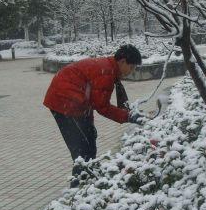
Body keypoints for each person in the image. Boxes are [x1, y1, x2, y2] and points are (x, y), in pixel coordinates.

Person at [43, 44, 146, 184]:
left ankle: (87, 181)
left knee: (89, 142)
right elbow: (102, 107)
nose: (132, 71)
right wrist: (128, 116)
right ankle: (78, 189)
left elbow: (93, 101)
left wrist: (90, 125)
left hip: (73, 101)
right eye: (132, 67)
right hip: (64, 102)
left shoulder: (108, 68)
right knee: (82, 151)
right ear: (122, 62)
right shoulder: (106, 72)